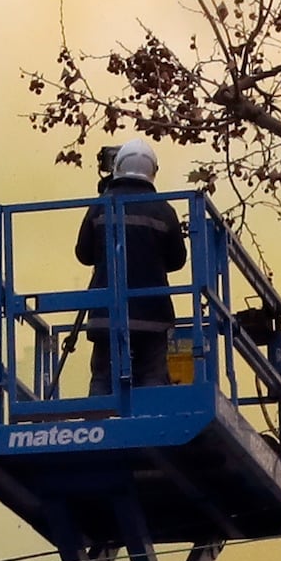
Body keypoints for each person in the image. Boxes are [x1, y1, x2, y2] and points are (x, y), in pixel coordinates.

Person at [71, 140, 186, 393]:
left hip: (107, 315)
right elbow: (177, 260)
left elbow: (84, 254)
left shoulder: (101, 206)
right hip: (153, 316)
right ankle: (151, 422)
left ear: (118, 167)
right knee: (152, 377)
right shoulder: (165, 210)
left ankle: (99, 425)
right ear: (153, 171)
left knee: (103, 376)